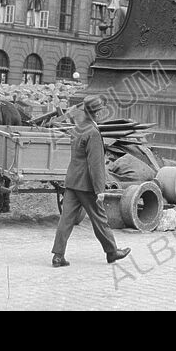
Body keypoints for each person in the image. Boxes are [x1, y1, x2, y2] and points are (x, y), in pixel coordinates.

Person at [51, 95, 131, 267]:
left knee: (66, 219)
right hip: (86, 185)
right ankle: (112, 252)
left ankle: (58, 255)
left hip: (72, 181)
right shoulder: (93, 133)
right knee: (100, 218)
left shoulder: (78, 128)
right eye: (101, 110)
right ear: (97, 113)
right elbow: (95, 164)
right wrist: (99, 189)